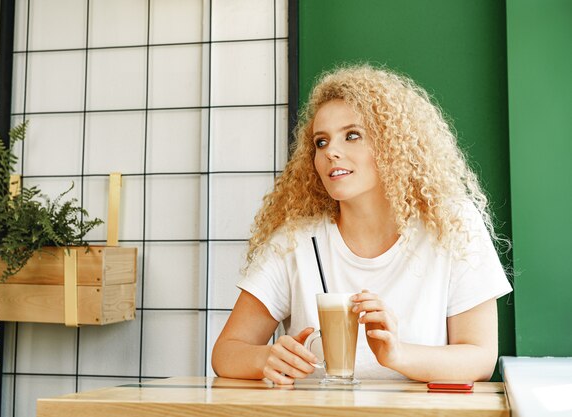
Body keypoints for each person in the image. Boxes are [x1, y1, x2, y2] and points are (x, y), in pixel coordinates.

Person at [211, 63, 512, 384]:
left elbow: (480, 357)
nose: (331, 152)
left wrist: (397, 354)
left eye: (352, 135)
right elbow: (226, 352)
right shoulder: (295, 241)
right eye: (321, 142)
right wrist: (266, 358)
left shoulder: (450, 223)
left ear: (392, 144)